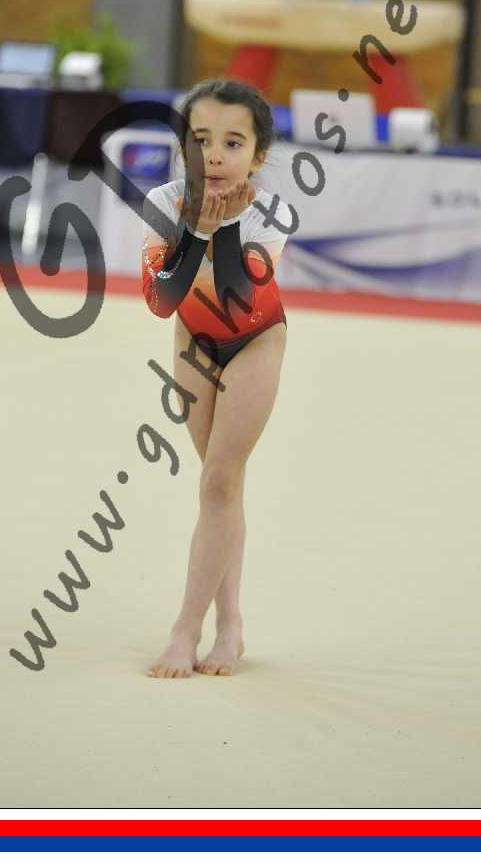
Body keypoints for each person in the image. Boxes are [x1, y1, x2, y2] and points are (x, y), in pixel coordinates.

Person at [139, 78, 292, 678]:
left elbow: (235, 297)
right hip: (193, 341)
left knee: (220, 481)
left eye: (233, 143)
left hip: (255, 338)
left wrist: (222, 226)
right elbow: (161, 301)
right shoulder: (164, 202)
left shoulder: (271, 214)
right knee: (219, 487)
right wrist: (199, 229)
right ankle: (231, 624)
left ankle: (186, 630)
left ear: (257, 156)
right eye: (201, 140)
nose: (215, 156)